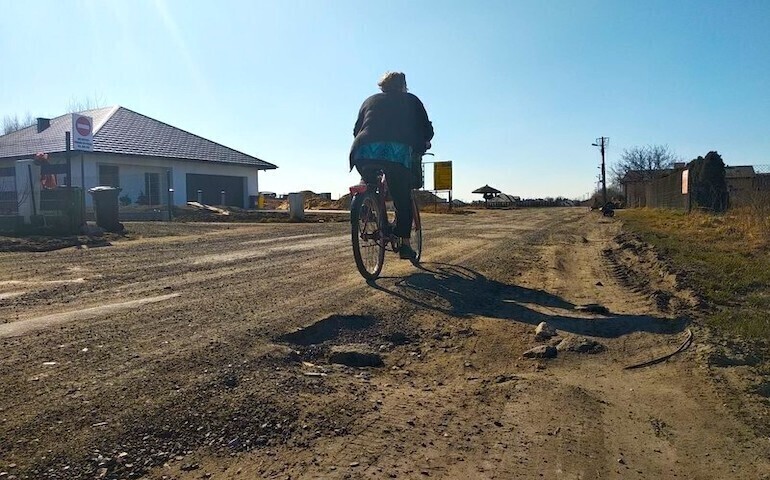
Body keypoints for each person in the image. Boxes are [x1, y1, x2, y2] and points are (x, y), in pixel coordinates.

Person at [349, 71, 434, 259]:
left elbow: (357, 129)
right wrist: (424, 142)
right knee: (402, 199)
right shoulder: (411, 100)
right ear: (403, 85)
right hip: (395, 153)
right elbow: (426, 129)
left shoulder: (369, 100)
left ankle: (366, 199)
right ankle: (404, 244)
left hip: (363, 150)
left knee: (369, 179)